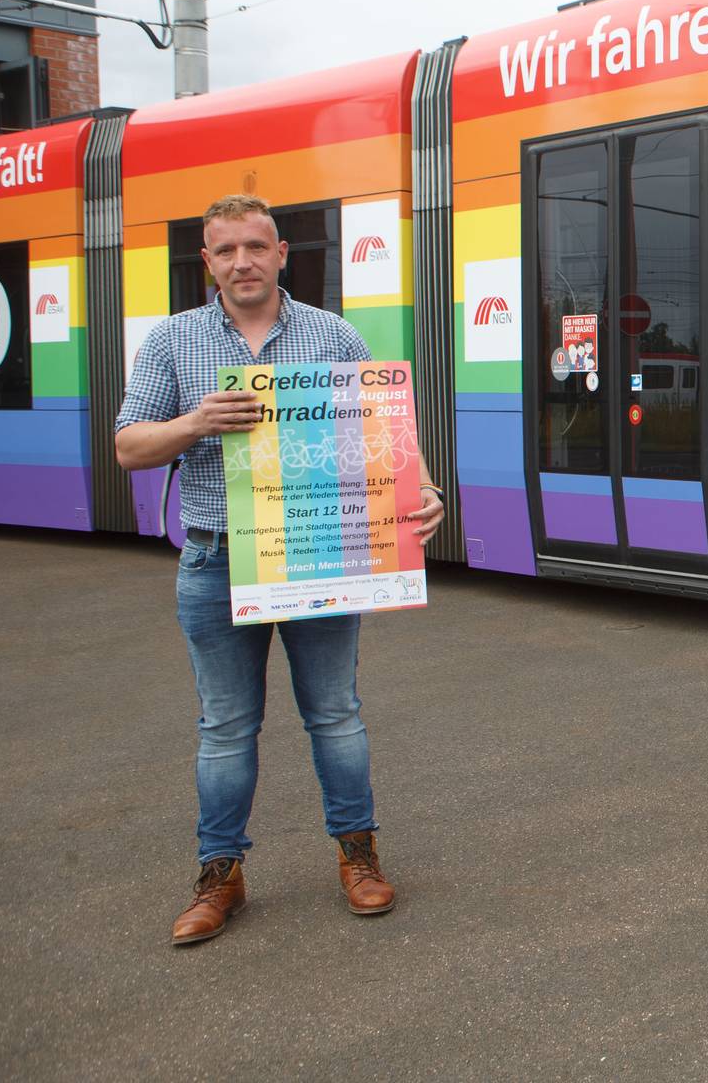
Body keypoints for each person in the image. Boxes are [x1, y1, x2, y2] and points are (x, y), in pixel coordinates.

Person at [114, 194, 445, 946]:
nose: (242, 263)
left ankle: (358, 858)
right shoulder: (173, 342)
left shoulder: (333, 335)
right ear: (207, 261)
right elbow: (129, 445)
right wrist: (197, 422)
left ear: (282, 253)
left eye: (256, 247)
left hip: (318, 554)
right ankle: (219, 874)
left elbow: (389, 438)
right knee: (227, 726)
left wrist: (423, 494)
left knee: (335, 714)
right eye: (225, 250)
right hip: (216, 559)